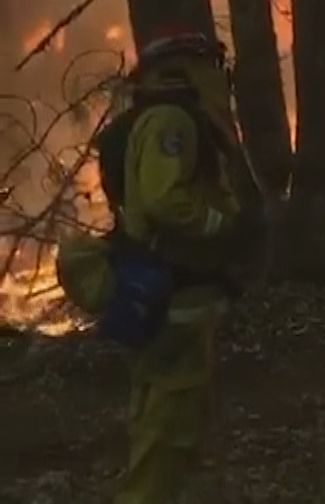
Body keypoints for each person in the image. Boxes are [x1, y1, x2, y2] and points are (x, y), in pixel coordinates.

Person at [105, 30, 255, 504]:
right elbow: (164, 201)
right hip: (179, 300)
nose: (219, 79)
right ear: (186, 70)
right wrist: (221, 224)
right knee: (168, 433)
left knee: (171, 424)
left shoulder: (162, 118)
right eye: (210, 66)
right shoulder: (174, 121)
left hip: (174, 296)